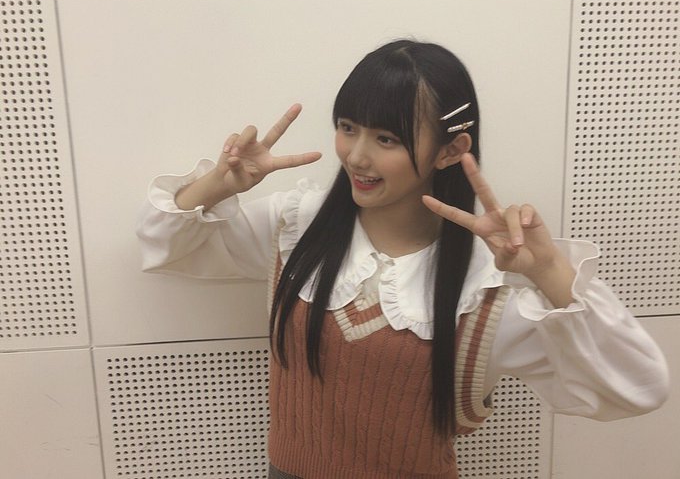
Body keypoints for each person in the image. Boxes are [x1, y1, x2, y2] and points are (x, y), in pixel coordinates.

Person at [137, 40, 669, 479]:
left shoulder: (484, 290)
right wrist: (219, 184)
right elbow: (166, 246)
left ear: (449, 150)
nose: (357, 155)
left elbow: (638, 388)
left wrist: (548, 271)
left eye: (386, 138)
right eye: (348, 127)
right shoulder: (298, 227)